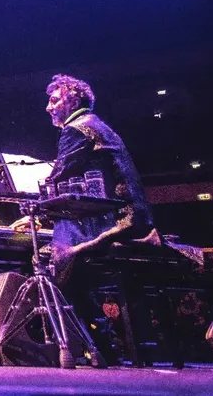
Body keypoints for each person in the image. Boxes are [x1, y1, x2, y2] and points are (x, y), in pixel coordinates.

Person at [43, 74, 154, 282]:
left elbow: (58, 178)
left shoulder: (75, 128)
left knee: (40, 258)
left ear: (74, 102)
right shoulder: (96, 124)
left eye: (54, 100)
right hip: (133, 220)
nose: (48, 108)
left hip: (116, 226)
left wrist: (36, 214)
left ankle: (72, 314)